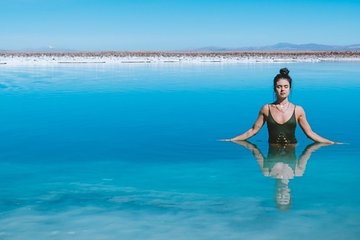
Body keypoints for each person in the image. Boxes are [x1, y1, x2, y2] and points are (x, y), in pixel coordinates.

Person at [223, 68, 335, 144]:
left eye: (286, 86)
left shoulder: (298, 110)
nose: (282, 89)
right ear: (274, 89)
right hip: (272, 153)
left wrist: (331, 142)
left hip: (292, 152)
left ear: (290, 89)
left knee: (288, 178)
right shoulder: (266, 108)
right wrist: (232, 140)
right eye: (279, 86)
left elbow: (310, 133)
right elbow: (252, 131)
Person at [234, 140, 331, 210]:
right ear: (289, 195)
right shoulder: (297, 172)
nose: (282, 195)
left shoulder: (268, 172)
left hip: (291, 144)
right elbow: (256, 152)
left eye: (280, 198)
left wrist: (326, 143)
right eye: (284, 198)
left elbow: (308, 152)